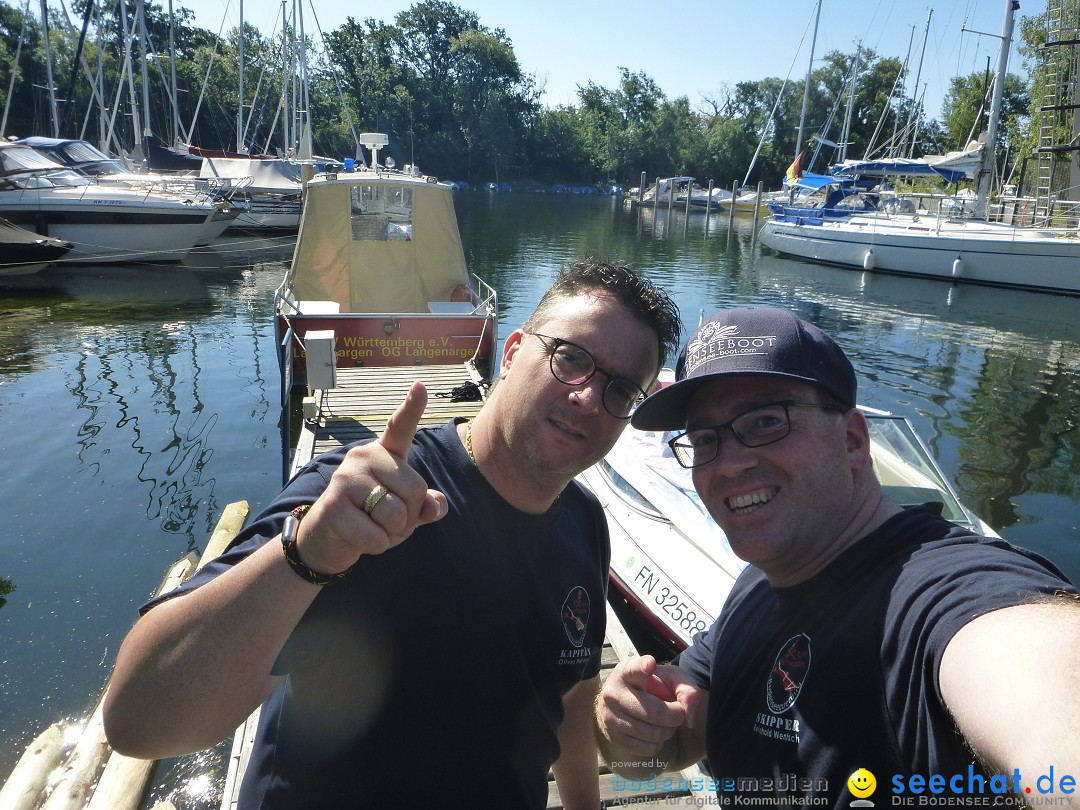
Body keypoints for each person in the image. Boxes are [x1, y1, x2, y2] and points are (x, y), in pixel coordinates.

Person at [103, 259, 681, 809]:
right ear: (511, 352)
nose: (587, 398)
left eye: (620, 391)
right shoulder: (363, 501)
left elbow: (575, 697)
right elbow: (138, 722)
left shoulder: (585, 524)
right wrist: (307, 555)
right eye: (571, 358)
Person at [594, 306, 1080, 806]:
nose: (730, 463)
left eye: (765, 421)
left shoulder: (943, 596)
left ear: (852, 440)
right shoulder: (758, 586)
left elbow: (1044, 693)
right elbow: (663, 752)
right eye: (705, 439)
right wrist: (625, 729)